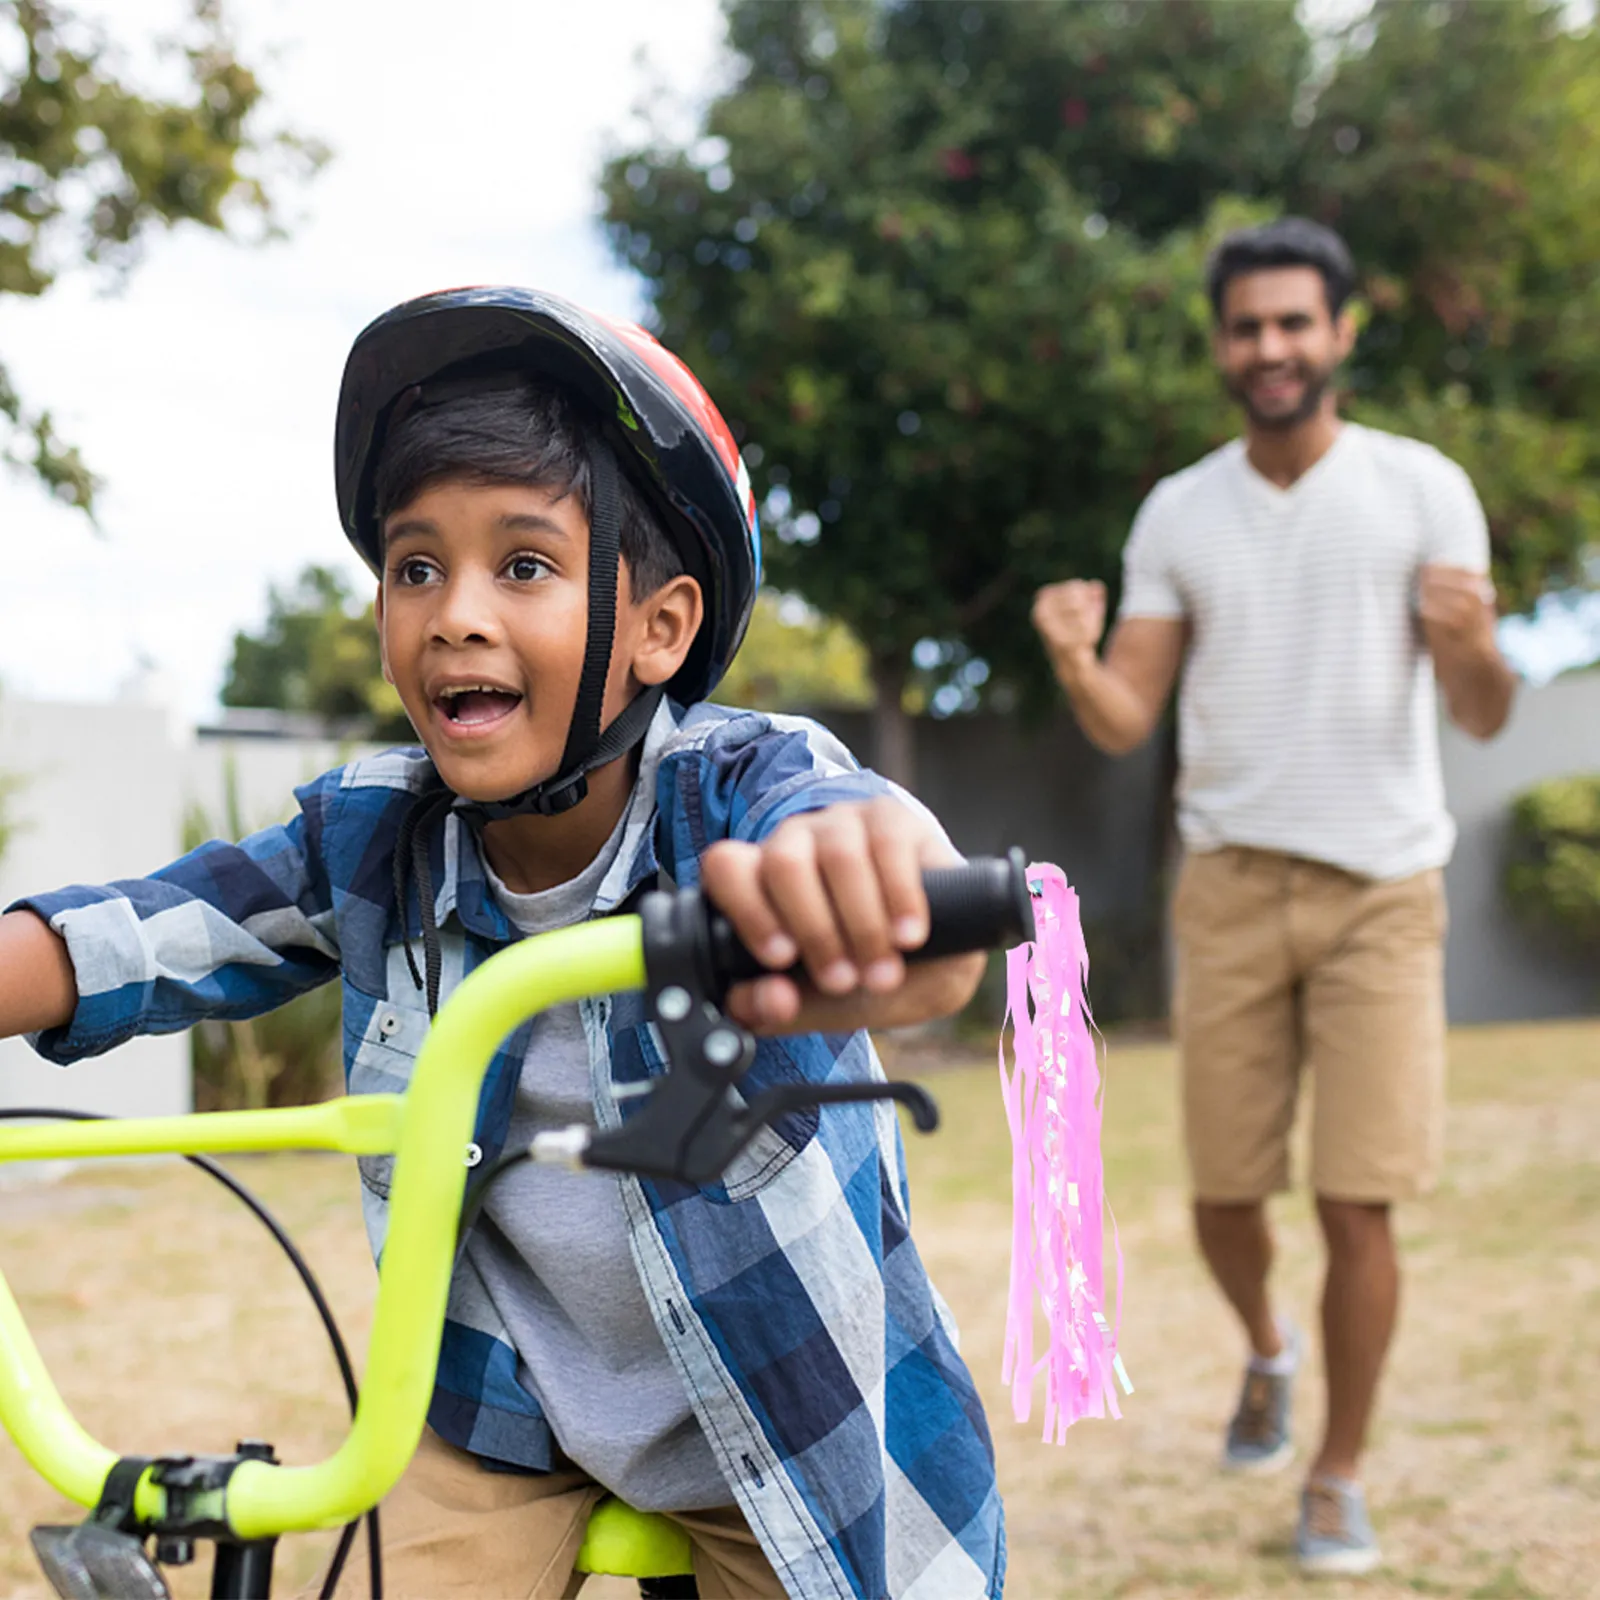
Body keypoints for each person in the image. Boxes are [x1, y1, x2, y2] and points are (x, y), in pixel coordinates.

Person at [0, 289, 1005, 1600]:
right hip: (505, 1415)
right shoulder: (369, 832)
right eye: (416, 568)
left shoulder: (737, 795)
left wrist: (863, 884)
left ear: (661, 626)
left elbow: (887, 878)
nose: (454, 613)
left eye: (521, 565)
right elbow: (137, 933)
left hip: (778, 1421)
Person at [1031, 218, 1516, 1578]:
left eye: (1297, 323)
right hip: (1231, 888)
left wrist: (1475, 644)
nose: (1273, 348)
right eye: (1248, 327)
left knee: (1358, 1203)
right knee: (1224, 1198)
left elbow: (1480, 713)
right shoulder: (1181, 512)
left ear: (1343, 334)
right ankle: (1267, 1349)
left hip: (1383, 892)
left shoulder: (1425, 490)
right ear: (1223, 345)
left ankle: (1336, 1476)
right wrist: (1075, 660)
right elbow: (1130, 714)